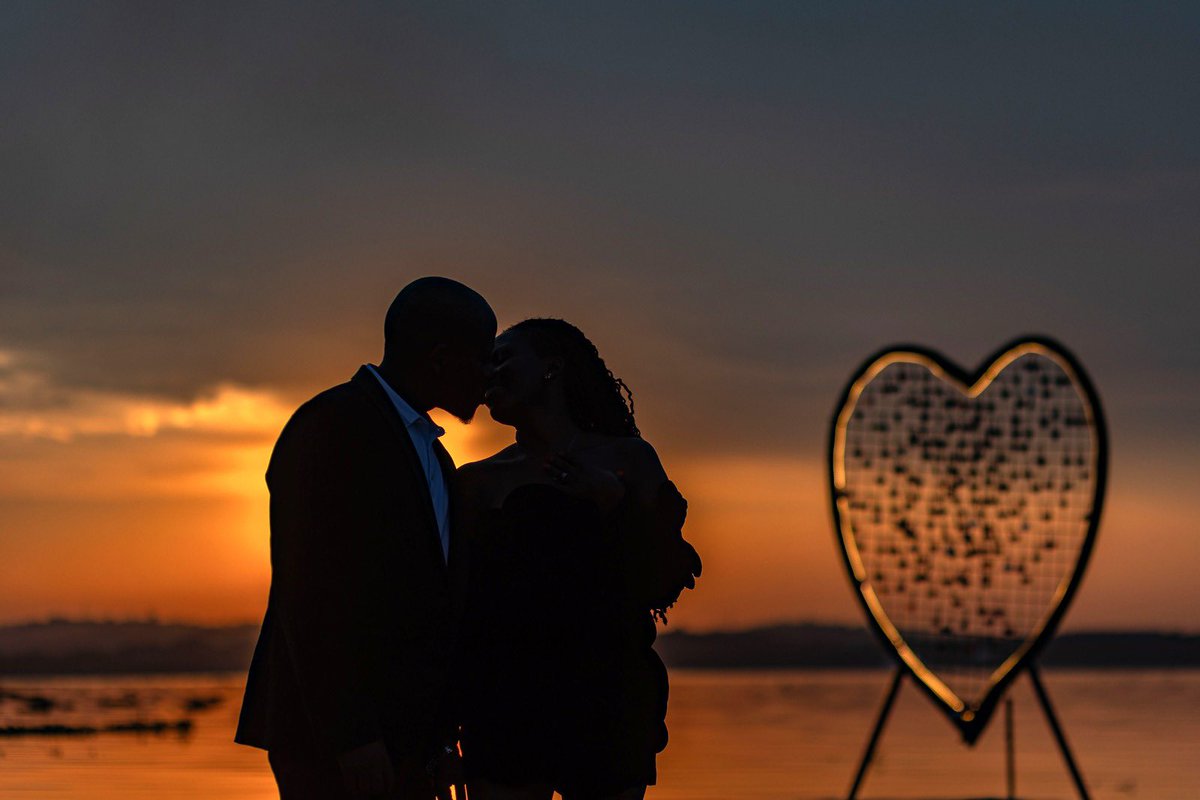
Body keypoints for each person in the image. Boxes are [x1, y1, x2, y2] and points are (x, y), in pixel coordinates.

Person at [235, 277, 496, 800]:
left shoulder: (436, 457)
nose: (490, 376)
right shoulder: (330, 427)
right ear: (442, 358)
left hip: (406, 742)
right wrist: (353, 738)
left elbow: (435, 609)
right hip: (333, 742)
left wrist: (441, 742)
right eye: (482, 358)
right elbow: (308, 594)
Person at [454, 318, 702, 800]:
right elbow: (460, 606)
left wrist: (614, 504)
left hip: (606, 698)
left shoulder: (628, 460)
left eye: (503, 358)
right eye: (486, 362)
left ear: (552, 369)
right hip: (505, 702)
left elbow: (662, 582)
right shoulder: (476, 482)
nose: (489, 373)